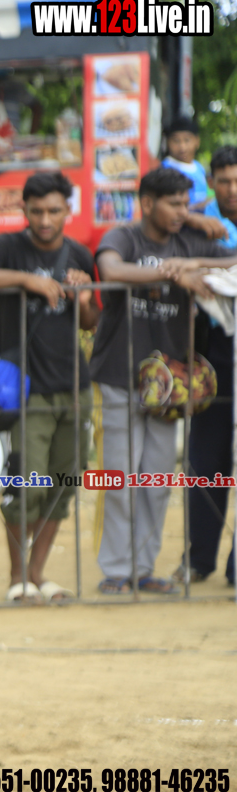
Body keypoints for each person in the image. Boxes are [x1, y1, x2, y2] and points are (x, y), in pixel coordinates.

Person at [90, 167, 237, 595]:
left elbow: (233, 258)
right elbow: (111, 269)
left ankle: (142, 568)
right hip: (120, 374)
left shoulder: (188, 240)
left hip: (170, 382)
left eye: (186, 204)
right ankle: (116, 570)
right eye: (173, 204)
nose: (181, 211)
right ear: (147, 203)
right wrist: (173, 275)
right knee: (120, 480)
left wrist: (193, 262)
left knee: (155, 482)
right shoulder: (124, 236)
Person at [0, 172, 98, 603]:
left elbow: (91, 322)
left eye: (54, 211)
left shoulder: (79, 253)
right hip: (27, 389)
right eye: (36, 211)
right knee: (27, 485)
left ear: (68, 210)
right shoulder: (9, 247)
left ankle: (37, 574)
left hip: (74, 386)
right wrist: (26, 280)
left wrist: (84, 298)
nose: (45, 220)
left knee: (63, 485)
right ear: (24, 211)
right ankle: (18, 579)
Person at [179, 145, 237, 587]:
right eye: (224, 181)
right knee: (205, 460)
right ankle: (199, 559)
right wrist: (191, 218)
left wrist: (200, 263)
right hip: (212, 356)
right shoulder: (196, 223)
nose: (232, 189)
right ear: (211, 182)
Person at [161, 115, 210, 210]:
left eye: (187, 140)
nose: (182, 147)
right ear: (168, 142)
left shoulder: (199, 167)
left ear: (197, 141)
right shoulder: (165, 169)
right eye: (176, 141)